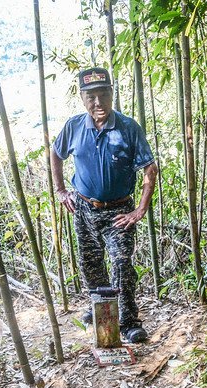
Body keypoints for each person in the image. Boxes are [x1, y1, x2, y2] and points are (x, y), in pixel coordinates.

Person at [50, 67, 158, 343]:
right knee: (90, 263)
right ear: (83, 98)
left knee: (121, 263)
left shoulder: (128, 127)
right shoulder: (74, 126)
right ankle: (100, 310)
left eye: (103, 95)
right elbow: (56, 153)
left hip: (119, 210)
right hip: (84, 207)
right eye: (91, 97)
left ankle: (129, 321)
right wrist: (62, 191)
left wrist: (140, 209)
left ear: (111, 95)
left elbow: (149, 168)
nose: (98, 103)